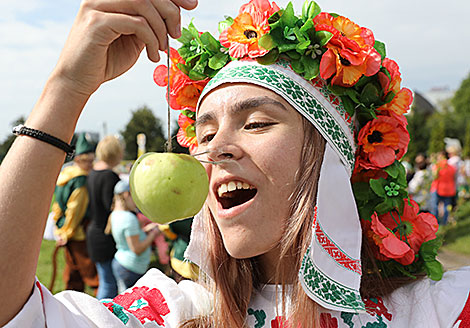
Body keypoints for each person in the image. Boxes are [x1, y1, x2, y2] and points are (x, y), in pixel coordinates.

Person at [1, 1, 470, 328]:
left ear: (332, 156)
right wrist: (67, 84)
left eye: (257, 123)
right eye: (203, 134)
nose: (215, 148)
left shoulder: (435, 311)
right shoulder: (173, 313)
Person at [50, 132, 99, 292]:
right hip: (78, 232)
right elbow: (75, 209)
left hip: (67, 230)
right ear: (80, 160)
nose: (91, 165)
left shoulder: (65, 176)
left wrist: (59, 227)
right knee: (90, 273)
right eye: (89, 162)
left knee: (73, 271)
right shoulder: (80, 180)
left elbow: (57, 205)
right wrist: (67, 232)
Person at [86, 135, 124, 299]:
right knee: (109, 284)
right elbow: (113, 207)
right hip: (105, 235)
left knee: (105, 280)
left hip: (94, 232)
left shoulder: (92, 173)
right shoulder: (110, 177)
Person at [109, 180, 159, 293]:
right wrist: (153, 234)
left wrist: (145, 230)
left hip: (122, 262)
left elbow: (128, 237)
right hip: (131, 267)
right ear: (127, 195)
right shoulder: (129, 218)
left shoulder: (115, 214)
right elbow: (136, 249)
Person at [431, 151, 457, 225]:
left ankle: (434, 223)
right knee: (446, 207)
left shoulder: (438, 166)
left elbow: (434, 177)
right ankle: (444, 223)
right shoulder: (452, 168)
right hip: (449, 189)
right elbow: (454, 178)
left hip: (438, 187)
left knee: (434, 206)